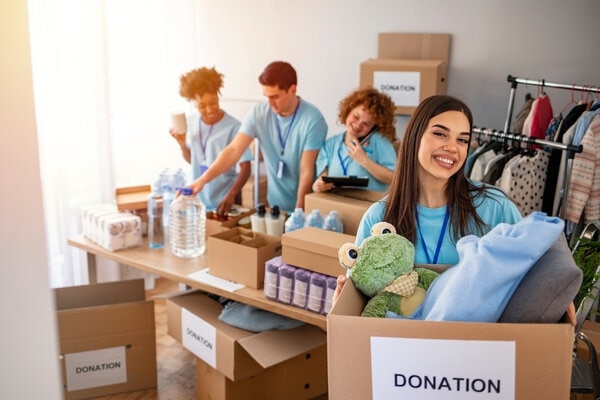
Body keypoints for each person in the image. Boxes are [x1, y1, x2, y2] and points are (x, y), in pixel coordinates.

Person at [333, 94, 523, 302]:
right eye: (441, 134)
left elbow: (529, 280)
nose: (452, 147)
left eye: (462, 140)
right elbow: (361, 295)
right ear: (415, 137)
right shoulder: (379, 217)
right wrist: (342, 302)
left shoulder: (496, 207)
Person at [187, 61, 328, 214]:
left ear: (292, 89)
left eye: (275, 97)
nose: (270, 103)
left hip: (306, 206)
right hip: (275, 206)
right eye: (266, 96)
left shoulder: (313, 119)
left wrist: (299, 211)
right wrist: (201, 181)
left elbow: (306, 170)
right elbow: (234, 150)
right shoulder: (259, 113)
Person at [170, 66, 252, 218]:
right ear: (193, 103)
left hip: (223, 202)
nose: (209, 110)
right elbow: (192, 160)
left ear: (218, 97)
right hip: (197, 202)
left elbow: (246, 167)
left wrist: (232, 194)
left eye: (213, 102)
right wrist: (182, 144)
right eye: (202, 105)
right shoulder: (191, 121)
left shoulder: (234, 127)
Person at [312, 87, 398, 193]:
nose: (358, 125)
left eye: (366, 124)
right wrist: (318, 186)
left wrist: (365, 161)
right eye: (356, 117)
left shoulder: (379, 141)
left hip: (367, 206)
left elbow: (394, 178)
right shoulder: (330, 144)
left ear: (375, 127)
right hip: (336, 205)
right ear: (348, 110)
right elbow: (322, 178)